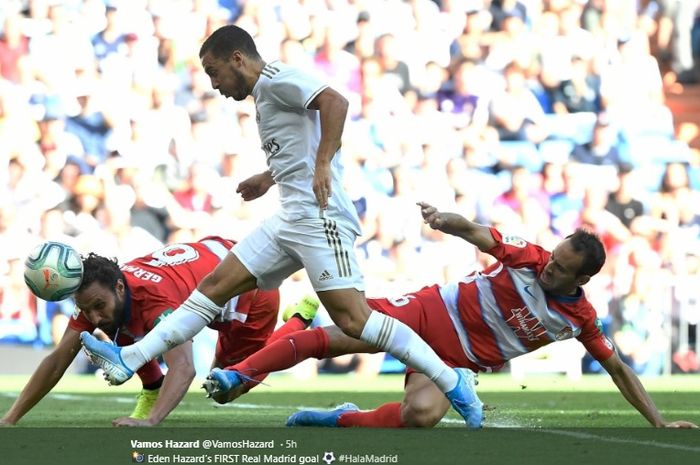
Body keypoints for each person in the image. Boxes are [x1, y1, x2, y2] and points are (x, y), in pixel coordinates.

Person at [79, 25, 482, 428]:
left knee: (355, 320)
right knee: (215, 287)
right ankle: (130, 357)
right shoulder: (264, 96)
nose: (213, 83)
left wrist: (323, 164)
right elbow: (298, 146)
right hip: (290, 217)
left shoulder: (277, 80)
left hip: (320, 217)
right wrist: (269, 176)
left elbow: (335, 102)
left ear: (238, 58)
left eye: (214, 71)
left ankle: (452, 380)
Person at [204, 203, 697, 429]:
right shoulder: (529, 256)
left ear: (581, 281)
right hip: (428, 313)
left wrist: (656, 422)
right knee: (341, 336)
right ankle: (237, 374)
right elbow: (479, 233)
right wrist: (446, 220)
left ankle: (340, 420)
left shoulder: (580, 320)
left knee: (420, 417)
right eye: (554, 257)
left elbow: (617, 368)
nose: (550, 267)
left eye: (562, 268)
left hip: (456, 363)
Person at [0, 236, 317, 427]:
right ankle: (152, 385)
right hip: (212, 260)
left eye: (98, 305)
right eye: (87, 309)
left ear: (120, 287)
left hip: (250, 289)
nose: (93, 316)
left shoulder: (155, 303)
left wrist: (149, 423)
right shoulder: (100, 293)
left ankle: (299, 320)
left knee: (227, 386)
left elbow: (184, 367)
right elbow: (58, 359)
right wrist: (10, 418)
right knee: (118, 323)